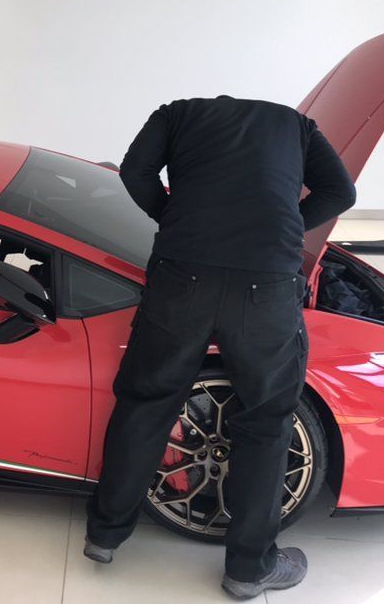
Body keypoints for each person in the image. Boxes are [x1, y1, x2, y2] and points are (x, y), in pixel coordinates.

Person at [84, 96, 356, 600]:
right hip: (266, 285)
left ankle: (106, 533)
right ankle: (250, 569)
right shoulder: (296, 126)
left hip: (182, 276)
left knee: (147, 399)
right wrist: (290, 224)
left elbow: (134, 171)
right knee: (266, 419)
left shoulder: (174, 114)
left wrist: (173, 216)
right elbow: (341, 191)